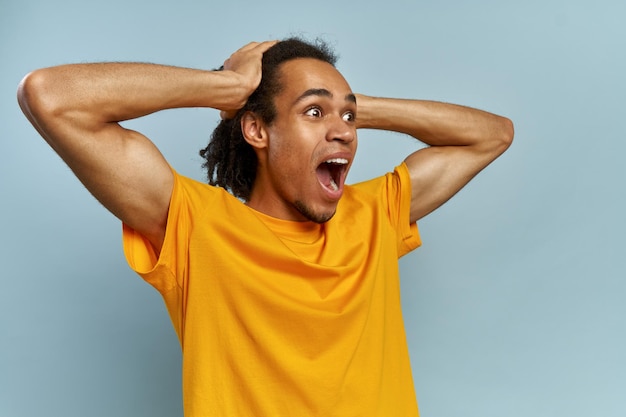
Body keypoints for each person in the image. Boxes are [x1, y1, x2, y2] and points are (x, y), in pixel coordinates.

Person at [17, 38, 513, 416]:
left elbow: (492, 135)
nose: (342, 131)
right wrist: (228, 89)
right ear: (256, 129)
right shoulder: (196, 227)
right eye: (313, 113)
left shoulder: (375, 215)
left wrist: (348, 109)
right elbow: (49, 95)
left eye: (347, 118)